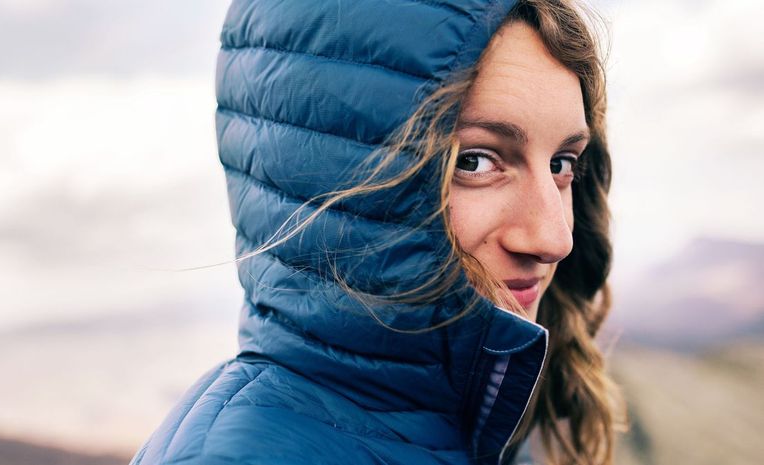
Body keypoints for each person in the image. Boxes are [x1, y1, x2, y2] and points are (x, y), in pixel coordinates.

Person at [130, 0, 625, 464]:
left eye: (562, 164)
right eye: (473, 161)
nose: (554, 239)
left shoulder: (494, 423)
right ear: (324, 176)